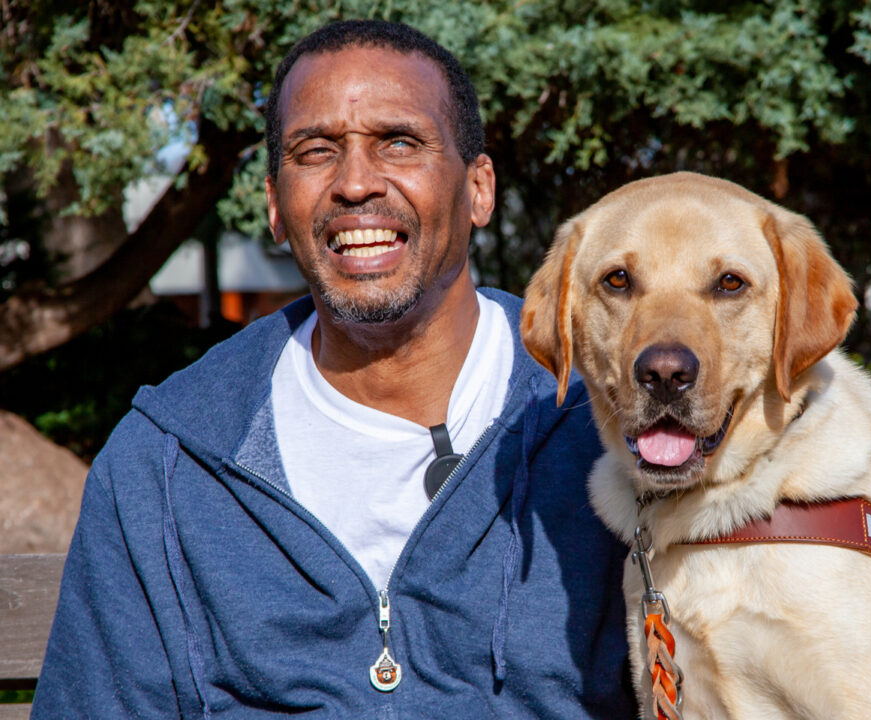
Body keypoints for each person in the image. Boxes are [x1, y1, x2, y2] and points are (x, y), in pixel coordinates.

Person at [31, 20, 633, 719]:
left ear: (478, 188)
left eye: (399, 143)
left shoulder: (606, 423)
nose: (354, 183)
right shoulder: (166, 467)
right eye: (315, 151)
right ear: (275, 207)